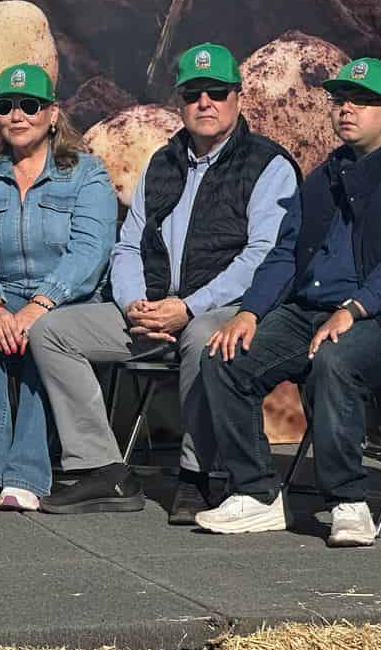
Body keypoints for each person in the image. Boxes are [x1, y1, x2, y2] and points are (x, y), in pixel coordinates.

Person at [197, 59, 381, 547]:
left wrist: (356, 308)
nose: (346, 109)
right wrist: (249, 311)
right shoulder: (326, 175)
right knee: (224, 354)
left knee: (336, 357)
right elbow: (285, 253)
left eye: (361, 101)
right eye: (340, 99)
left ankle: (348, 500)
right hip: (313, 310)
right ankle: (256, 494)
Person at [29, 44, 298, 520]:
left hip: (222, 310)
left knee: (203, 337)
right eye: (194, 94)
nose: (205, 103)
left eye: (217, 92)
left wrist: (189, 307)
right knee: (51, 332)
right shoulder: (162, 163)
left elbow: (262, 257)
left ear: (238, 98)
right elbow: (128, 243)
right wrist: (134, 303)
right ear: (179, 101)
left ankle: (199, 475)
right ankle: (103, 469)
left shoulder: (267, 164)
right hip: (151, 311)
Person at [0, 65, 117, 511]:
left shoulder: (88, 174)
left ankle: (27, 472)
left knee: (47, 334)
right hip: (2, 294)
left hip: (67, 299)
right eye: (6, 106)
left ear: (53, 114)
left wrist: (40, 305)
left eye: (30, 105)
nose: (18, 115)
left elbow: (90, 251)